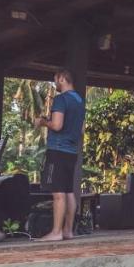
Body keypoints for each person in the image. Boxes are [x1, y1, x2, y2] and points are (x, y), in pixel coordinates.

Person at [34, 69, 85, 242]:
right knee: (69, 191)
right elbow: (81, 129)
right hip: (71, 151)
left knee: (58, 193)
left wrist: (42, 122)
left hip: (57, 149)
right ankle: (68, 230)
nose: (55, 84)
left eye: (56, 80)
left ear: (63, 79)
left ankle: (56, 232)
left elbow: (56, 125)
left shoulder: (61, 99)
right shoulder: (79, 100)